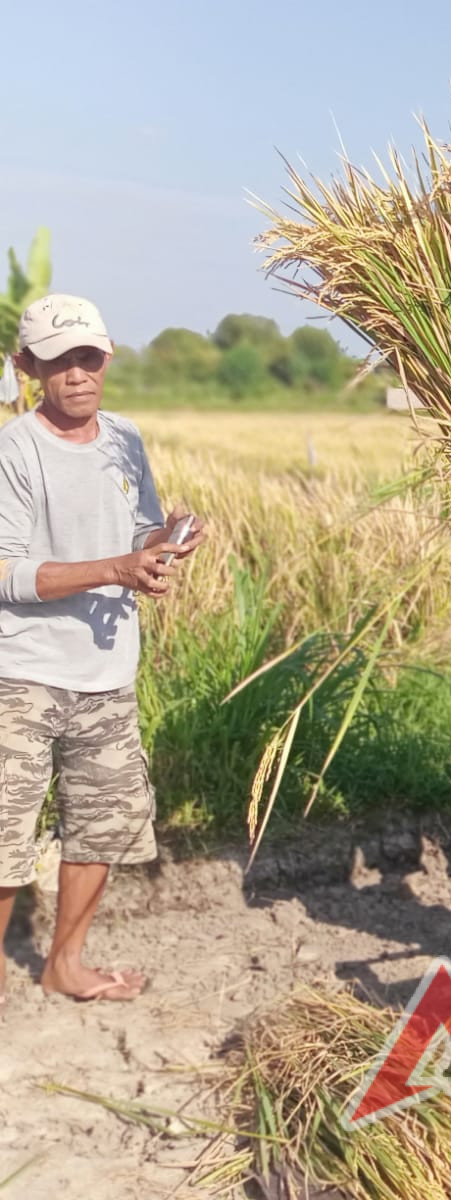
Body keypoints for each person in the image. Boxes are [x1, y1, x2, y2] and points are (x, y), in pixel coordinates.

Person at [0, 294, 205, 1007]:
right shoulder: (15, 450)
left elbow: (138, 533)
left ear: (107, 358)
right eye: (59, 362)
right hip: (21, 672)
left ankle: (65, 962)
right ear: (29, 368)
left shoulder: (125, 439)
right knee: (4, 835)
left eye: (88, 357)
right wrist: (117, 570)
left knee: (100, 822)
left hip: (108, 670)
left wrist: (164, 540)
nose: (77, 375)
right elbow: (6, 571)